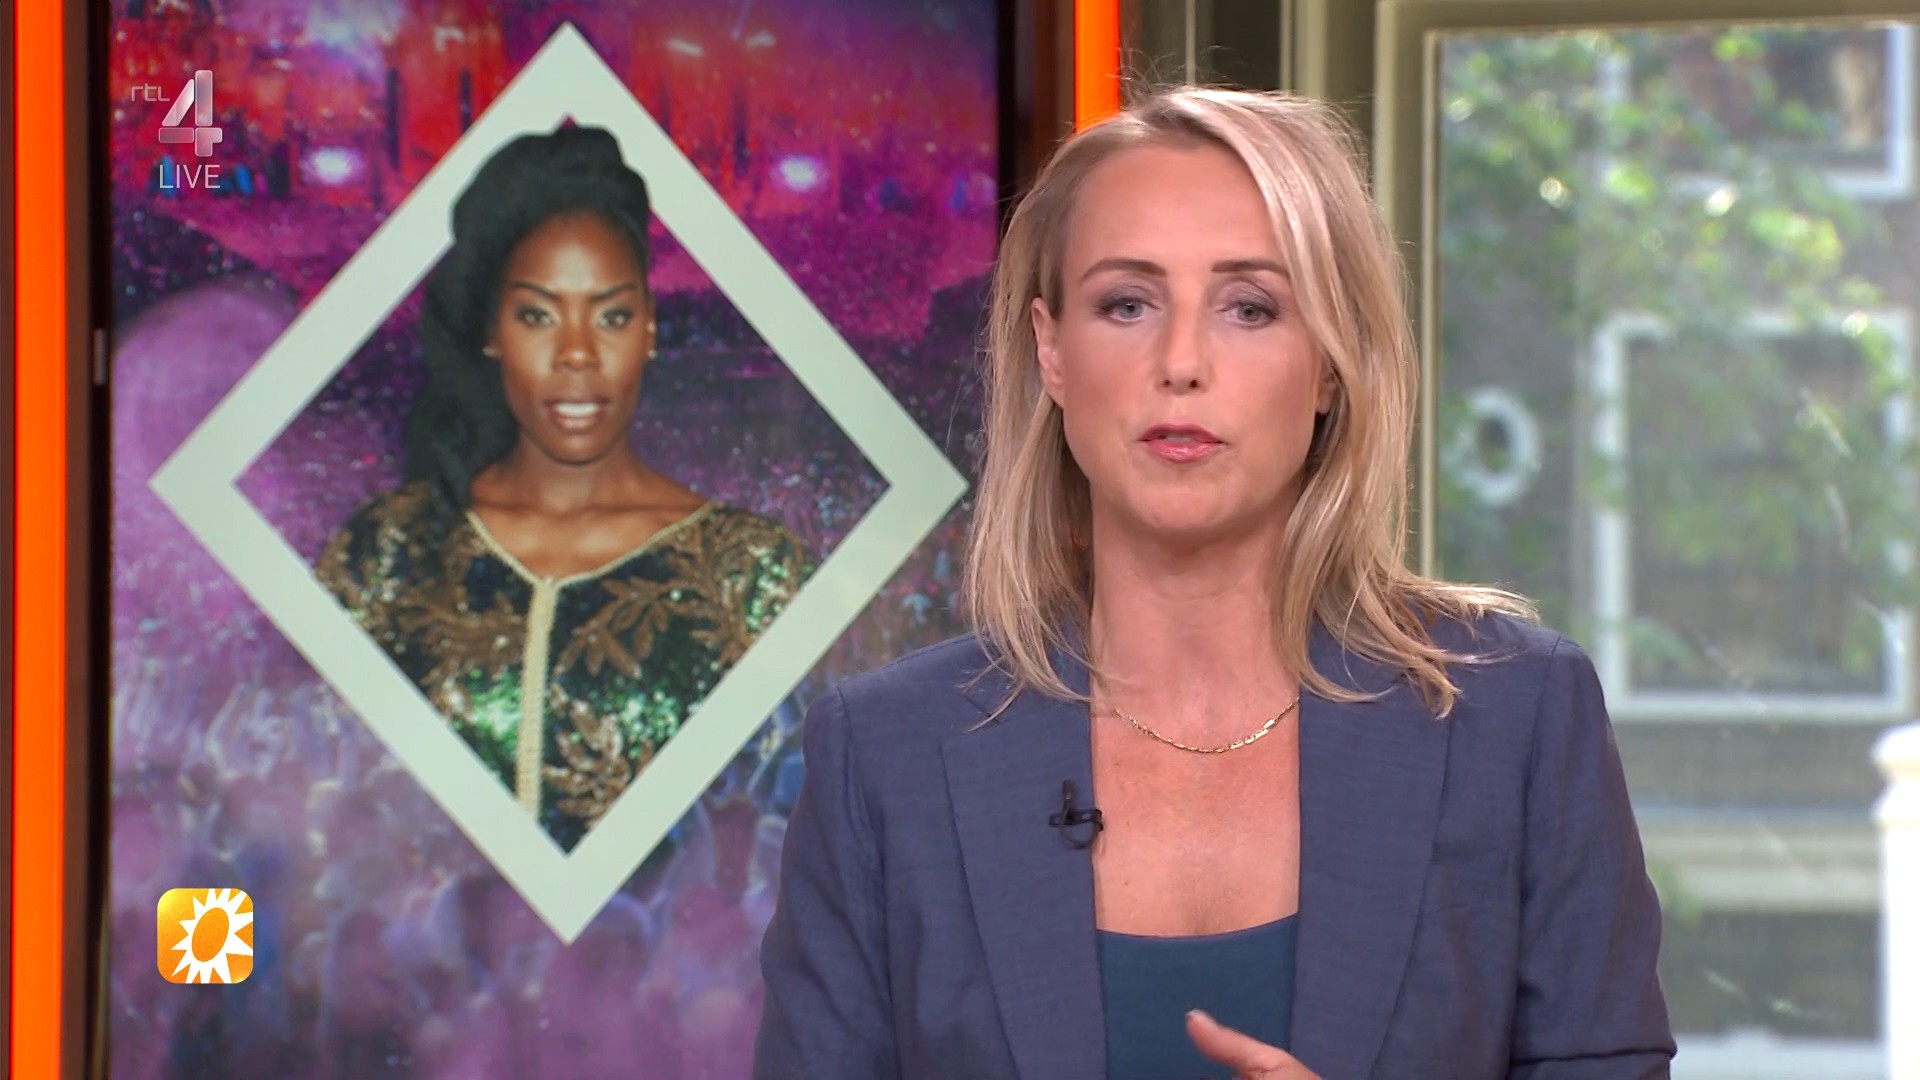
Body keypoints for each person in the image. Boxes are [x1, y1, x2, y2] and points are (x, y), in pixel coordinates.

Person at [753, 87, 1673, 1080]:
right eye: (1127, 304)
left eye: (1250, 308)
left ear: (1330, 365)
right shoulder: (884, 756)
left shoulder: (1517, 722)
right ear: (1052, 352)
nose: (1181, 362)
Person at [319, 125, 812, 853]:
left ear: (649, 328)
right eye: (538, 316)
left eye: (611, 316)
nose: (577, 354)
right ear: (492, 330)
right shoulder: (387, 552)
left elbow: (788, 825)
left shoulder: (753, 570)